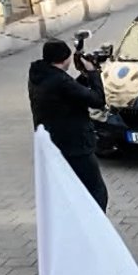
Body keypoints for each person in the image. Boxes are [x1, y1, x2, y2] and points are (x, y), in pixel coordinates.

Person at [28, 39, 109, 210]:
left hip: (54, 144)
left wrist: (84, 76)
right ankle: (95, 230)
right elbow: (97, 100)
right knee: (96, 192)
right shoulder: (59, 81)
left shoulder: (40, 75)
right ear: (65, 59)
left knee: (69, 191)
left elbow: (71, 92)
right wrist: (93, 73)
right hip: (75, 145)